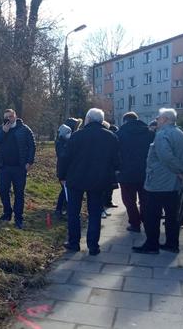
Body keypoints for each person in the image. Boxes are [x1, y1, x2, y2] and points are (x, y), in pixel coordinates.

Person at [132, 108, 183, 254]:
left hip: (158, 183)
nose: (157, 120)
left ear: (166, 119)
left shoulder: (162, 135)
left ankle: (152, 245)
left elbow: (166, 157)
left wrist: (180, 169)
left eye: (159, 118)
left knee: (151, 215)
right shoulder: (181, 134)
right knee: (172, 216)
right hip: (174, 185)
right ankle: (172, 244)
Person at [58, 108, 119, 255]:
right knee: (95, 213)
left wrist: (62, 176)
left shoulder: (77, 136)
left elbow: (65, 157)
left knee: (74, 212)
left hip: (76, 178)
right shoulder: (111, 137)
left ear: (88, 119)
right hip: (98, 180)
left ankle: (74, 243)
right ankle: (93, 246)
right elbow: (116, 162)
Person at [0, 109, 36, 229]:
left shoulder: (24, 129)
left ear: (15, 116)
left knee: (19, 193)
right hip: (3, 167)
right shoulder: (1, 129)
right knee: (3, 191)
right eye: (6, 117)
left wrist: (30, 162)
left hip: (19, 168)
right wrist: (3, 132)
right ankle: (7, 213)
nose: (9, 119)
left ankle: (18, 218)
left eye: (11, 116)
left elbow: (32, 145)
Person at [116, 112, 155, 233]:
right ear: (137, 120)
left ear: (125, 121)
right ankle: (146, 219)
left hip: (126, 173)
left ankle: (134, 223)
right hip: (146, 172)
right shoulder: (150, 133)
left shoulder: (119, 134)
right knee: (145, 199)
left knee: (129, 200)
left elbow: (116, 154)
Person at [54, 118, 82, 218]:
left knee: (65, 190)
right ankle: (61, 209)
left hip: (68, 169)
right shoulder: (62, 142)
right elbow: (63, 157)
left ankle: (61, 208)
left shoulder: (67, 140)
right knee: (66, 190)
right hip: (64, 170)